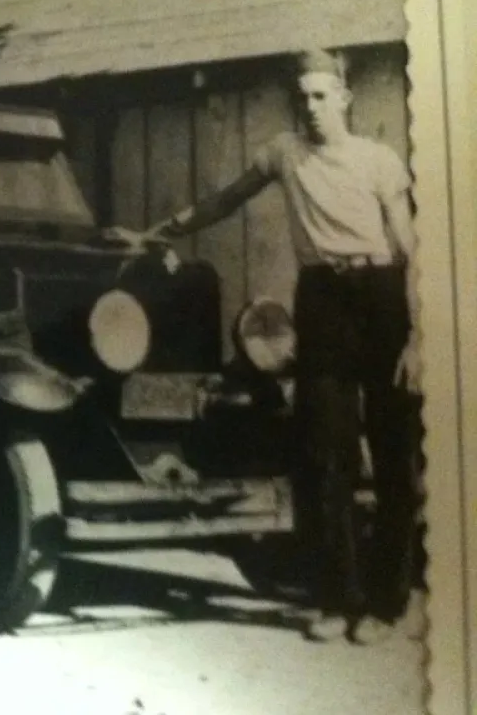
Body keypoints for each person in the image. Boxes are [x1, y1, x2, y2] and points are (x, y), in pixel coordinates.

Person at [141, 48, 422, 645]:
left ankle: (386, 602)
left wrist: (416, 335)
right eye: (302, 98)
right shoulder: (283, 152)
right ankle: (337, 599)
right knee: (324, 453)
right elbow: (225, 199)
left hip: (380, 295)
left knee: (393, 453)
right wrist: (163, 230)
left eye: (321, 96)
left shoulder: (378, 160)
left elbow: (407, 248)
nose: (311, 107)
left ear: (344, 99)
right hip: (321, 301)